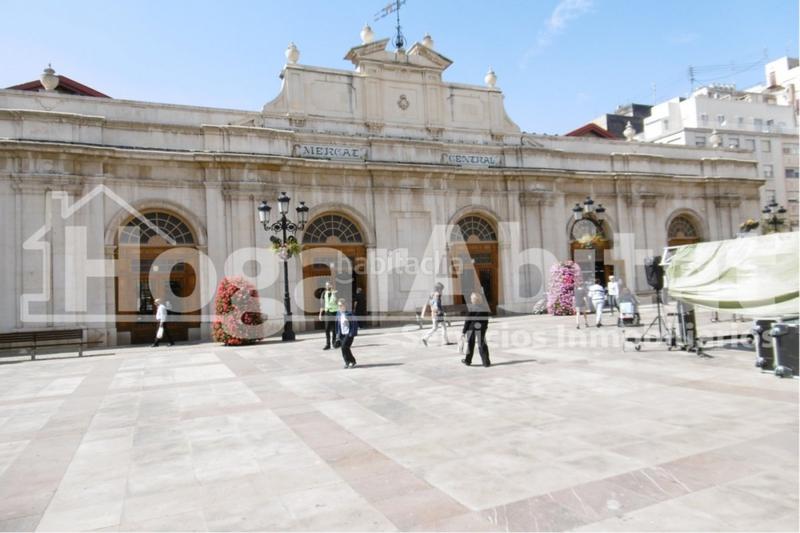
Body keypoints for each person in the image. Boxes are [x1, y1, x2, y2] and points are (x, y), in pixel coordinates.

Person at [461, 292, 491, 367]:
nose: (470, 300)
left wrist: (463, 331)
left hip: (472, 328)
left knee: (470, 345)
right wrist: (485, 327)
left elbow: (467, 321)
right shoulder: (484, 307)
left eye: (471, 298)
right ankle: (486, 362)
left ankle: (468, 361)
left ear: (474, 300)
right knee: (482, 344)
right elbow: (486, 320)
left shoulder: (471, 307)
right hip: (481, 328)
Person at [335, 298, 358, 368]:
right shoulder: (338, 313)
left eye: (341, 305)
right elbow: (337, 324)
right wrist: (337, 334)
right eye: (338, 305)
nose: (339, 307)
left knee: (344, 346)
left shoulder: (350, 313)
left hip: (349, 333)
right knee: (344, 348)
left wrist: (352, 333)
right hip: (342, 334)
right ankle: (348, 362)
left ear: (344, 305)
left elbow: (355, 324)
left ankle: (351, 361)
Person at [318, 281, 338, 350]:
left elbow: (336, 302)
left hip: (334, 312)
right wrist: (320, 314)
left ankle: (334, 343)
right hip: (327, 312)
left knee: (334, 329)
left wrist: (333, 293)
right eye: (327, 285)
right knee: (327, 329)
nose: (328, 286)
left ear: (332, 286)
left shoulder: (335, 292)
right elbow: (322, 304)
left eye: (329, 285)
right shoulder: (324, 293)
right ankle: (328, 344)